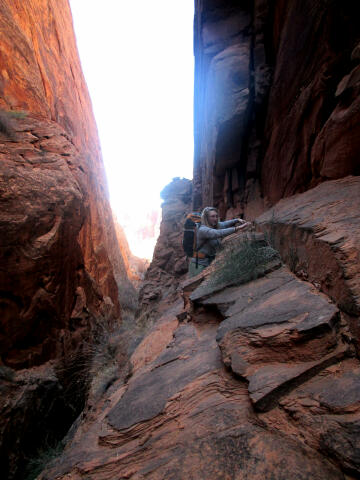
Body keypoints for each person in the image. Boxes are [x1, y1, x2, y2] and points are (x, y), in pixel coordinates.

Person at [188, 206, 250, 277]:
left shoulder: (214, 225)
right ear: (206, 218)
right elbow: (218, 233)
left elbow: (224, 224)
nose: (215, 219)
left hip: (208, 262)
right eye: (212, 216)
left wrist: (237, 220)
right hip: (198, 265)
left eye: (216, 216)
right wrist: (238, 228)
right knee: (199, 286)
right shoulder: (203, 230)